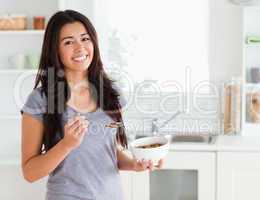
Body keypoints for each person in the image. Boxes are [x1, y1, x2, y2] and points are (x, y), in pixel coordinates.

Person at [21, 10, 163, 200]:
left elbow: (108, 149)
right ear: (55, 49)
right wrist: (66, 145)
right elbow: (30, 173)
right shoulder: (40, 100)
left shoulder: (111, 94)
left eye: (85, 39)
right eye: (69, 42)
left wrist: (134, 164)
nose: (80, 48)